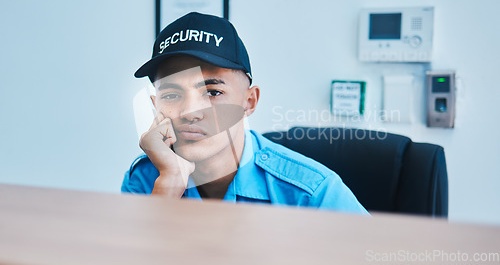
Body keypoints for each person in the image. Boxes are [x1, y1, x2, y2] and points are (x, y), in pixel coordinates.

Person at [121, 12, 368, 214]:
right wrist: (166, 189)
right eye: (172, 95)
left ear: (249, 102)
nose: (190, 112)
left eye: (213, 92)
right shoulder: (147, 179)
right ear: (156, 105)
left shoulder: (311, 193)